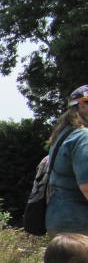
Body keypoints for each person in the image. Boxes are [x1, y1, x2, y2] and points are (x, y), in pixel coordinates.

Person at [45, 84, 88, 234]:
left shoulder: (63, 134)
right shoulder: (83, 137)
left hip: (59, 218)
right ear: (82, 104)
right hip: (80, 224)